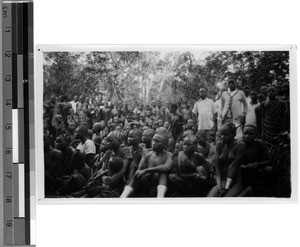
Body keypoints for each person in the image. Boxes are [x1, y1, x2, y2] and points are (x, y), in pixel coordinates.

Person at [120, 132, 173, 198]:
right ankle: (123, 196)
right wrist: (141, 173)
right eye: (153, 140)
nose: (153, 143)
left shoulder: (168, 155)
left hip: (161, 186)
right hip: (148, 185)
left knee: (163, 174)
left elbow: (167, 167)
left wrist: (147, 170)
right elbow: (140, 170)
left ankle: (160, 198)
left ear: (165, 144)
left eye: (157, 141)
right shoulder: (148, 154)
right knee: (137, 175)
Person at [207, 123, 245, 197]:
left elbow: (232, 167)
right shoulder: (219, 145)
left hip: (236, 181)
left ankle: (247, 191)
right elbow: (218, 169)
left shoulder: (240, 145)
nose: (222, 137)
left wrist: (226, 188)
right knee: (210, 197)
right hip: (223, 180)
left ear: (234, 134)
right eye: (221, 134)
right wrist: (219, 187)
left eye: (225, 135)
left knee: (227, 199)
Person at [241, 125, 272, 196]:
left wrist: (257, 164)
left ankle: (267, 191)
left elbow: (268, 161)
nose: (247, 136)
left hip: (257, 169)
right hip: (241, 171)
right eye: (245, 133)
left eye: (250, 134)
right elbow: (232, 162)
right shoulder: (239, 144)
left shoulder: (259, 144)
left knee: (269, 169)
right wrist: (243, 166)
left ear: (256, 135)